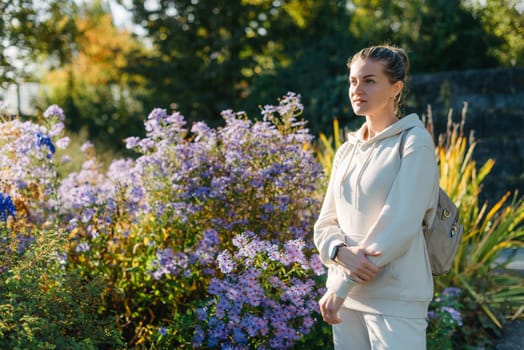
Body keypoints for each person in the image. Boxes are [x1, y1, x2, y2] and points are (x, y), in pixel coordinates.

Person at [314, 45, 440, 349]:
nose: (358, 89)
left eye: (369, 81)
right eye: (353, 81)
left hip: (394, 298)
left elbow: (398, 224)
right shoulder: (347, 150)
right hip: (344, 298)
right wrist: (339, 251)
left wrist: (344, 283)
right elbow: (326, 222)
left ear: (395, 88)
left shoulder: (414, 142)